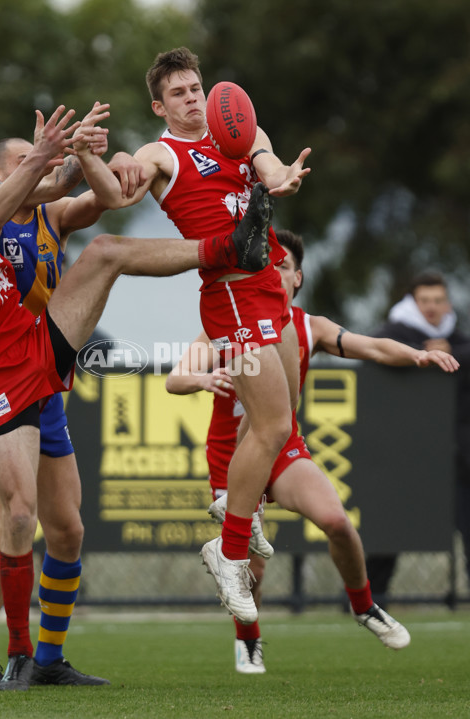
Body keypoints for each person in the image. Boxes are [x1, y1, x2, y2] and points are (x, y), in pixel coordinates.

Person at [0, 104, 272, 690]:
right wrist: (40, 154)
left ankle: (232, 248)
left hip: (38, 344)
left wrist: (89, 152)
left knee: (107, 251)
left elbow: (60, 187)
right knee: (15, 518)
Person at [72, 47, 311, 625]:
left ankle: (238, 502)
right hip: (229, 292)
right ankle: (228, 549)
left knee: (284, 414)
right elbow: (115, 195)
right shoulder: (161, 154)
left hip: (269, 285)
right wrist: (89, 156)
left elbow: (270, 165)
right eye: (178, 93)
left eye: (196, 87)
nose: (192, 98)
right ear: (160, 104)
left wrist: (283, 177)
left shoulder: (239, 129)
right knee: (275, 422)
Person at [166, 231, 459, 672]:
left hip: (283, 449)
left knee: (338, 522)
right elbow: (176, 379)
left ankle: (364, 606)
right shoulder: (225, 328)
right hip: (233, 456)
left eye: (283, 267)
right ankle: (249, 641)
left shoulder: (309, 326)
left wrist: (416, 356)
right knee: (252, 569)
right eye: (268, 266)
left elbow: (374, 347)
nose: (275, 274)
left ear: (296, 278)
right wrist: (202, 379)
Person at [0, 114, 143, 689]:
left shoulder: (50, 217)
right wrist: (62, 155)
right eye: (23, 157)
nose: (37, 161)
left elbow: (105, 198)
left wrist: (92, 154)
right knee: (12, 522)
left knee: (67, 530)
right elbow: (51, 179)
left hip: (46, 384)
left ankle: (49, 660)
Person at [367, 271, 470, 600]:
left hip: (457, 458)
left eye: (438, 300)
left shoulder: (458, 338)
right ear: (413, 302)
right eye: (425, 301)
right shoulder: (391, 334)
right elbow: (374, 353)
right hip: (406, 455)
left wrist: (450, 350)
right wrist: (419, 353)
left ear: (447, 303)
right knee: (389, 536)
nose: (432, 308)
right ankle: (366, 603)